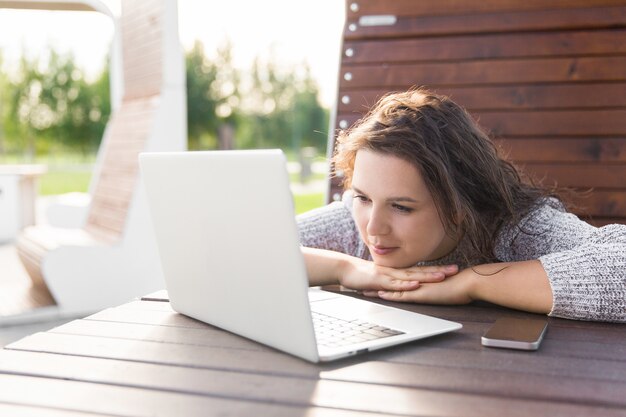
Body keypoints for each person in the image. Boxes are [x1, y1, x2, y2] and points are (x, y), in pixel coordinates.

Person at [297, 87, 626, 323]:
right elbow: (251, 248)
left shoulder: (519, 229)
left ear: (458, 206)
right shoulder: (355, 223)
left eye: (402, 207)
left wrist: (473, 282)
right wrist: (346, 268)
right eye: (363, 197)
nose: (372, 228)